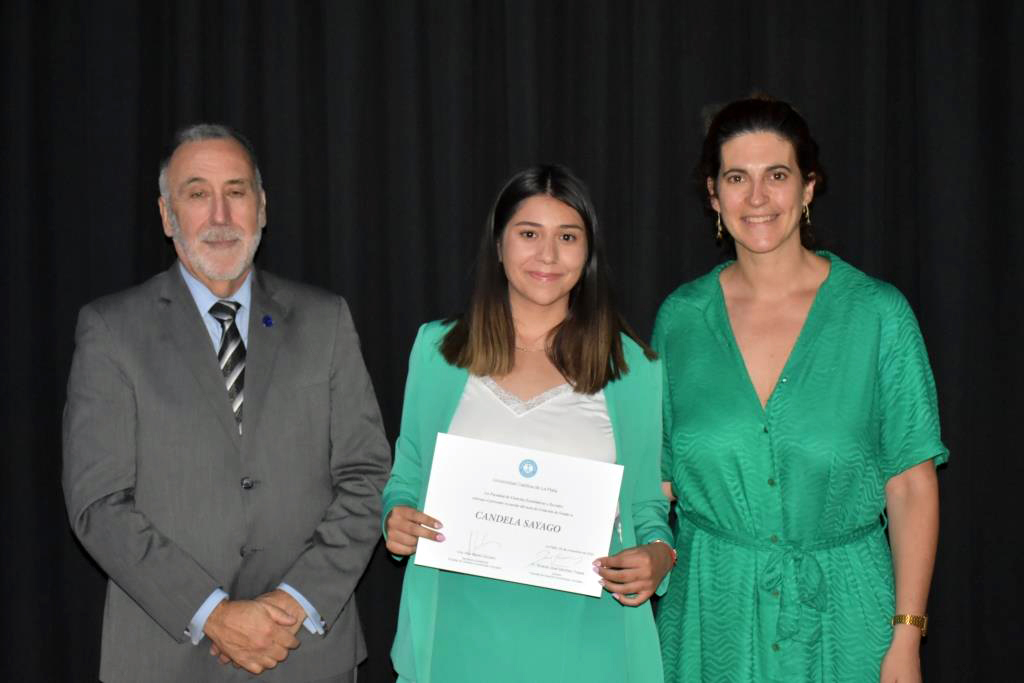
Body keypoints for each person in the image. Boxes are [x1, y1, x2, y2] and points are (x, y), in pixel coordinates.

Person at [62, 123, 391, 682]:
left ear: (261, 208)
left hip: (303, 650)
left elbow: (367, 474)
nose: (220, 215)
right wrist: (212, 614)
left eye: (236, 192)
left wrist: (295, 601)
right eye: (197, 194)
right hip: (165, 659)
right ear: (167, 215)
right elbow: (98, 503)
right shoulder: (111, 330)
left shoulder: (326, 320)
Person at [654, 96, 947, 682]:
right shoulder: (680, 320)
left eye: (777, 175)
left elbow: (912, 486)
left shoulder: (878, 315)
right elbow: (658, 483)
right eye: (737, 178)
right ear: (713, 195)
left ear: (808, 187)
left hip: (848, 620)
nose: (757, 197)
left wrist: (907, 637)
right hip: (712, 616)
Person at [381, 164, 675, 683]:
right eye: (529, 234)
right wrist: (396, 518)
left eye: (568, 237)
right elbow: (407, 475)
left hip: (588, 644)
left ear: (588, 253)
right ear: (499, 245)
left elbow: (647, 504)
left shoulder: (633, 369)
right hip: (457, 639)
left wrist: (658, 555)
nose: (548, 255)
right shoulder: (436, 350)